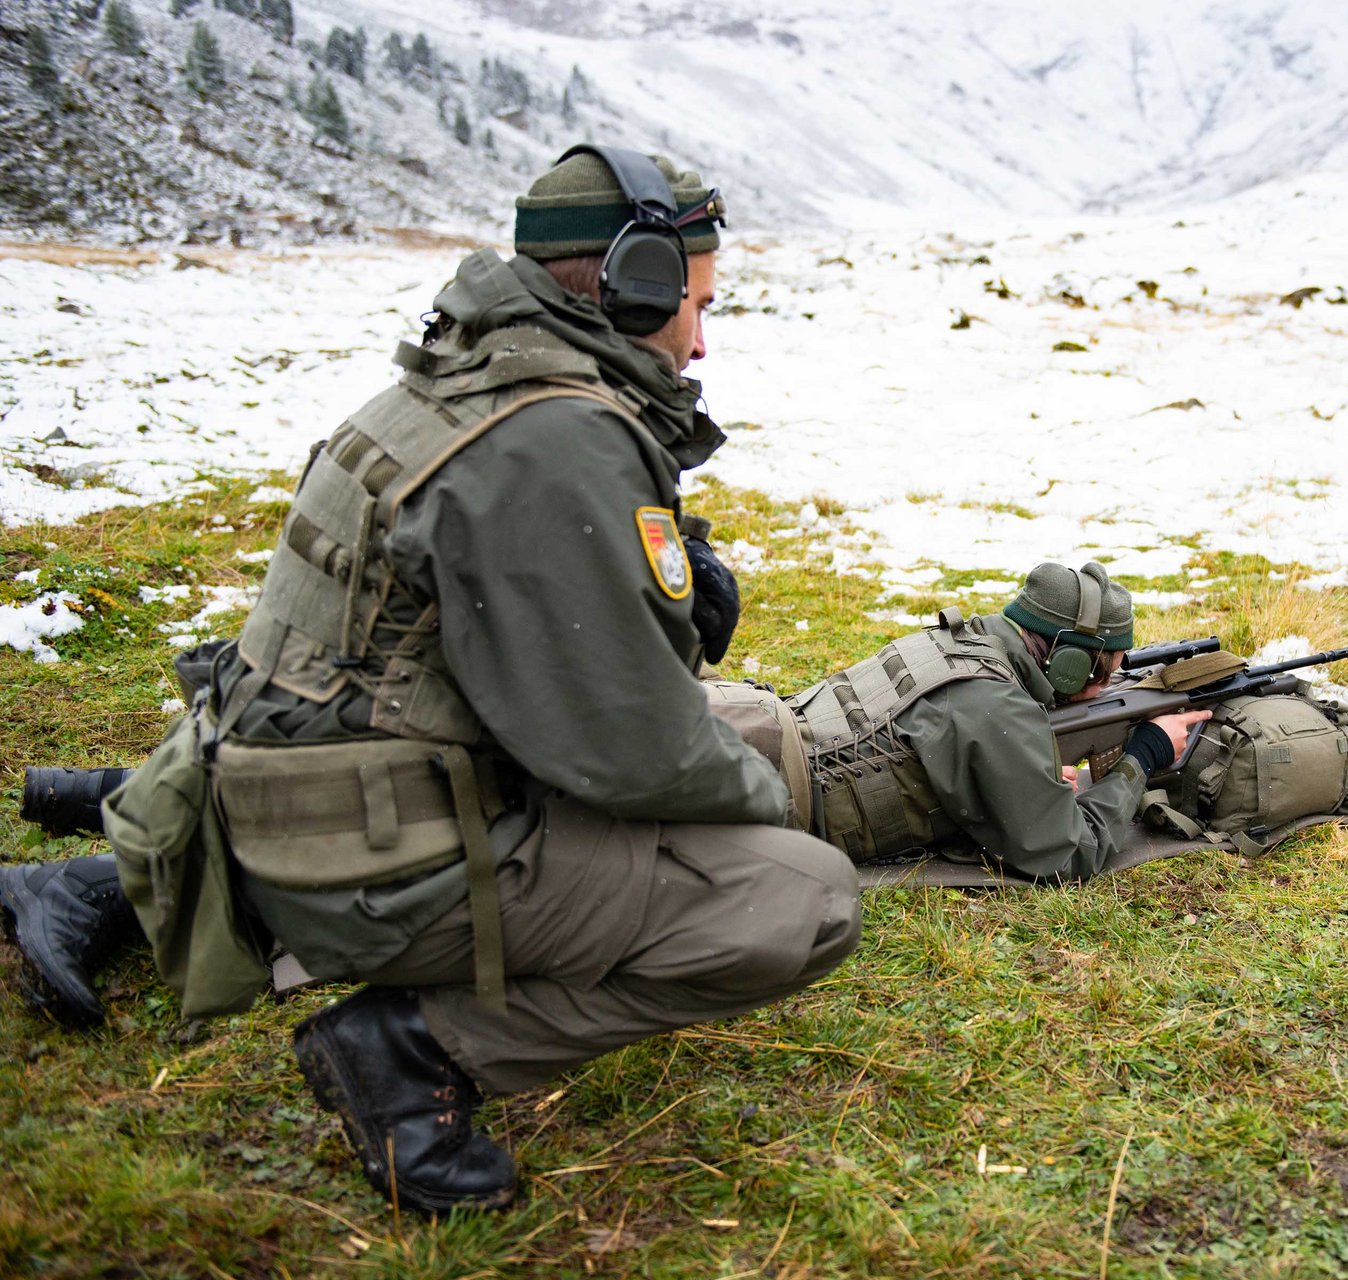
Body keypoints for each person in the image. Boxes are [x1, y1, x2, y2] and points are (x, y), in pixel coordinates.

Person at [0, 146, 860, 1217]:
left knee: (739, 724)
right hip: (364, 856)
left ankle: (105, 887)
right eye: (694, 305)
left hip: (291, 794)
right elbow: (631, 747)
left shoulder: (462, 381)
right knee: (801, 893)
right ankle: (410, 1053)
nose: (699, 340)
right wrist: (763, 807)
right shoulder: (558, 435)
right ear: (634, 285)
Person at [788, 560, 1210, 881]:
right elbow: (1070, 853)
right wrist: (1144, 754)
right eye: (1101, 674)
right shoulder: (998, 705)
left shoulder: (958, 642)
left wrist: (1029, 774)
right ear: (1068, 664)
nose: (1105, 686)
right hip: (782, 812)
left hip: (777, 737)